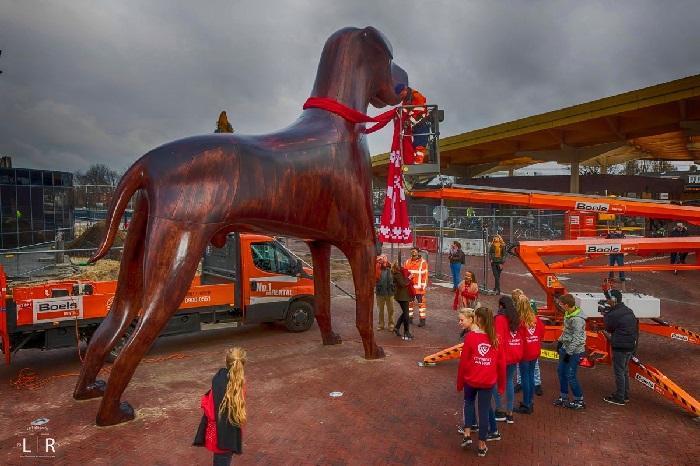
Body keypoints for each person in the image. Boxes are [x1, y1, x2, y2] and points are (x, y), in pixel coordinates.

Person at [457, 307, 505, 457]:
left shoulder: (471, 337)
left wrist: (460, 381)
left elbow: (464, 361)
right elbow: (501, 364)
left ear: (477, 319)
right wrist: (501, 385)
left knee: (469, 403)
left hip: (471, 379)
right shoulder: (496, 339)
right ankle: (482, 444)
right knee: (484, 411)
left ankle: (467, 433)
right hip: (488, 381)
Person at [193, 347, 246, 466]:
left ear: (226, 361)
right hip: (231, 432)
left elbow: (211, 412)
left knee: (220, 460)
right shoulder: (240, 383)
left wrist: (205, 400)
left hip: (218, 432)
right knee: (224, 460)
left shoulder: (219, 380)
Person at [601, 289, 639, 405]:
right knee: (624, 371)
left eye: (609, 299)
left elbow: (608, 328)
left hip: (620, 346)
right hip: (630, 345)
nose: (607, 301)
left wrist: (606, 315)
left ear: (614, 300)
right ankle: (625, 394)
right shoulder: (628, 311)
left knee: (619, 372)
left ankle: (620, 397)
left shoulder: (613, 314)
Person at [553, 294, 587, 410]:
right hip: (566, 347)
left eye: (561, 304)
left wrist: (569, 353)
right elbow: (567, 331)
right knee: (561, 371)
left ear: (566, 305)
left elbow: (577, 338)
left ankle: (579, 399)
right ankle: (564, 397)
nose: (559, 305)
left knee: (570, 375)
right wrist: (560, 341)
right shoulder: (568, 313)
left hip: (574, 351)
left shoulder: (577, 320)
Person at [493, 296, 523, 424]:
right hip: (514, 354)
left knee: (496, 382)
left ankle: (499, 410)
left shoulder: (500, 319)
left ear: (501, 306)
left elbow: (498, 339)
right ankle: (510, 412)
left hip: (503, 356)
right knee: (509, 381)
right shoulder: (516, 318)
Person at [514, 296, 544, 414]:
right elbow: (542, 331)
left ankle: (527, 404)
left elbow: (517, 337)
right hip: (534, 350)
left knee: (525, 378)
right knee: (531, 376)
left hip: (525, 353)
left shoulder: (519, 321)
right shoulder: (535, 319)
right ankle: (530, 401)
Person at [457, 308, 477, 437]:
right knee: (485, 406)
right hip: (481, 374)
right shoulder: (475, 332)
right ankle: (492, 430)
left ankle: (468, 429)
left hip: (473, 375)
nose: (459, 322)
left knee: (469, 402)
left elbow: (467, 359)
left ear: (470, 319)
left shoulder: (472, 336)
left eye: (461, 320)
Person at [396, 84, 430, 164]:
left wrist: (409, 121)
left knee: (420, 144)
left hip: (422, 124)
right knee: (415, 145)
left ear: (405, 90)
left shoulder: (416, 96)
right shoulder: (405, 101)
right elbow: (405, 113)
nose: (401, 97)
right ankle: (414, 161)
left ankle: (417, 163)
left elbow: (419, 112)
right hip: (415, 126)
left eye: (401, 94)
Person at [404, 248, 429, 327]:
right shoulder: (407, 262)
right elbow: (404, 274)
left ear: (418, 252)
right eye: (412, 251)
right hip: (410, 288)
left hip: (419, 289)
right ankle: (410, 318)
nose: (413, 252)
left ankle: (422, 320)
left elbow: (425, 275)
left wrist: (423, 286)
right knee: (409, 304)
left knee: (421, 304)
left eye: (415, 251)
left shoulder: (423, 262)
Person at [392, 261, 414, 340]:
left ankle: (397, 328)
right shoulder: (397, 274)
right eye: (401, 264)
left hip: (404, 296)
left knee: (405, 313)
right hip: (401, 297)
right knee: (406, 315)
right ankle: (406, 331)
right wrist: (409, 278)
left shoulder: (400, 272)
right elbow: (403, 284)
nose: (402, 265)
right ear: (397, 266)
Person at [374, 255, 395, 330]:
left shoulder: (391, 267)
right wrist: (376, 261)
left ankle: (391, 325)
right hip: (380, 292)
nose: (382, 260)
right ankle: (381, 325)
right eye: (381, 258)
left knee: (391, 310)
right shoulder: (376, 268)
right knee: (380, 310)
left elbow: (398, 270)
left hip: (390, 292)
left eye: (384, 258)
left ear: (386, 259)